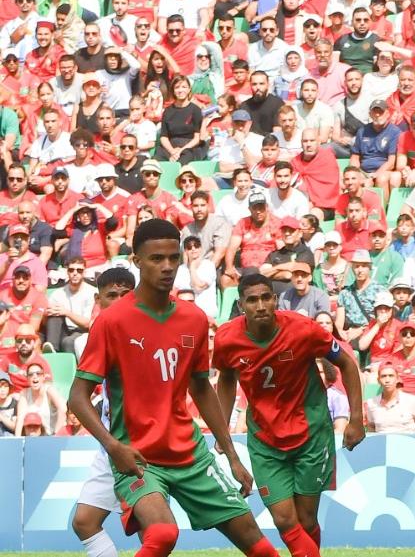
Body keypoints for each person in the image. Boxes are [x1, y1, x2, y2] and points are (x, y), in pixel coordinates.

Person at [66, 219, 278, 557]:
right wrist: (112, 447)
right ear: (136, 261)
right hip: (138, 456)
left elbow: (201, 388)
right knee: (162, 534)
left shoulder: (193, 318)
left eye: (172, 258)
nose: (166, 267)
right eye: (155, 259)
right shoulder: (112, 321)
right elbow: (77, 397)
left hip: (191, 454)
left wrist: (232, 456)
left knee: (262, 548)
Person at [213, 273, 368, 557]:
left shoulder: (303, 329)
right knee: (284, 519)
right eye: (252, 300)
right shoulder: (227, 338)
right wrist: (221, 428)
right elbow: (226, 379)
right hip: (265, 440)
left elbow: (346, 362)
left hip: (311, 436)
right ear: (241, 305)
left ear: (274, 300)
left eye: (265, 298)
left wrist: (356, 418)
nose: (260, 306)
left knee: (306, 519)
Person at [67, 267, 135, 557]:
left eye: (125, 294)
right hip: (111, 442)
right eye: (111, 295)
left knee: (152, 527)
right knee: (84, 522)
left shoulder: (148, 331)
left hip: (144, 441)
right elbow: (80, 395)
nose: (119, 301)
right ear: (98, 299)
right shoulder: (90, 338)